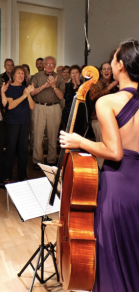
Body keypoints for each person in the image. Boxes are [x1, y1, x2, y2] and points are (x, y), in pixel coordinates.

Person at [59, 39, 139, 292]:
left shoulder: (108, 102)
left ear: (122, 66)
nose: (111, 64)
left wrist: (78, 140)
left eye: (114, 59)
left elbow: (114, 152)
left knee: (113, 259)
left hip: (118, 188)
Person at [30, 56, 65, 169]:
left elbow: (61, 96)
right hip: (39, 107)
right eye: (47, 64)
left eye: (52, 64)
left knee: (53, 135)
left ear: (54, 66)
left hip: (54, 108)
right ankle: (37, 161)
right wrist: (44, 86)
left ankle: (51, 161)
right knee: (38, 136)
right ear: (44, 65)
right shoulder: (37, 76)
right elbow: (31, 93)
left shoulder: (59, 78)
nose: (49, 66)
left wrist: (54, 86)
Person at [3, 66, 35, 182]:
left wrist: (28, 94)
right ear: (13, 75)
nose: (21, 75)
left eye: (23, 73)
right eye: (18, 73)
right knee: (10, 149)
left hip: (25, 122)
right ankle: (7, 175)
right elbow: (10, 106)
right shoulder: (9, 88)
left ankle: (23, 175)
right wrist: (24, 95)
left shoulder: (26, 88)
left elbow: (32, 106)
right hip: (12, 122)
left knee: (23, 150)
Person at [88, 62, 119, 168]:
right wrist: (108, 88)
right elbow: (93, 97)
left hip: (113, 121)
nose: (106, 71)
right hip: (98, 120)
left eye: (109, 69)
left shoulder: (116, 84)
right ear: (101, 72)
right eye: (104, 69)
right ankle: (99, 179)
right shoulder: (96, 83)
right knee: (102, 149)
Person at [61, 65, 87, 135]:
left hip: (81, 113)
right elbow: (67, 98)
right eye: (72, 73)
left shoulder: (84, 85)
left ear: (80, 74)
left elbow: (85, 98)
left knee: (80, 134)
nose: (74, 75)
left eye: (76, 72)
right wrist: (74, 87)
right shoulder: (67, 86)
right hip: (69, 113)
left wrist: (78, 86)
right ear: (70, 75)